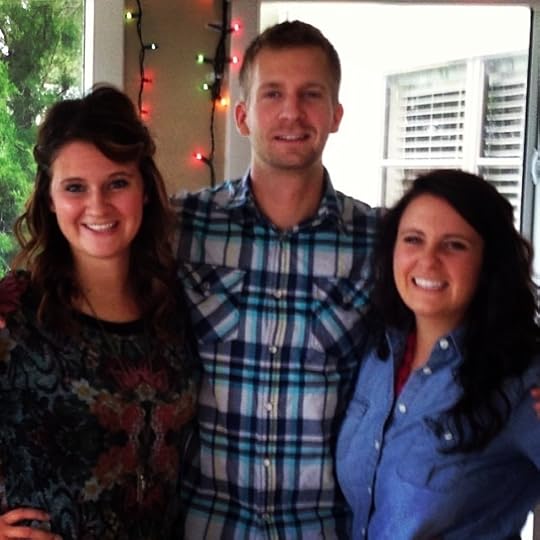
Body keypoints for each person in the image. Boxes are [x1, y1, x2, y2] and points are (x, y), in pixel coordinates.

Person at [173, 20, 380, 537]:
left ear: (335, 115)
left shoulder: (380, 241)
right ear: (242, 115)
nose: (292, 112)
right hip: (206, 526)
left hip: (324, 528)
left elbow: (469, 311)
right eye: (273, 94)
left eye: (311, 94)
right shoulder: (182, 226)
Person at [0, 86, 197, 540]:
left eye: (117, 183)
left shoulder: (175, 308)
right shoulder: (14, 313)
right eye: (75, 188)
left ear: (143, 190)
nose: (98, 205)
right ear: (50, 199)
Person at [336, 169, 540, 539]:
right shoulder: (379, 351)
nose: (428, 260)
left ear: (489, 261)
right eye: (413, 239)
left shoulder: (522, 376)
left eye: (454, 245)